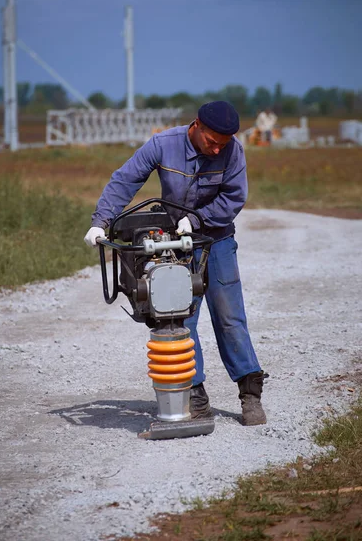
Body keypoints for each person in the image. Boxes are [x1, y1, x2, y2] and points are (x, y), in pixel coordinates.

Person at [84, 101, 267, 426]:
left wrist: (197, 222)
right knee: (181, 315)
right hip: (175, 242)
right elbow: (125, 180)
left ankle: (250, 394)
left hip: (216, 238)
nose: (215, 150)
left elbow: (234, 198)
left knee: (229, 315)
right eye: (211, 142)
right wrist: (101, 220)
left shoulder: (232, 152)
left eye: (221, 145)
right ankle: (195, 396)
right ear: (196, 125)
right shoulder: (163, 144)